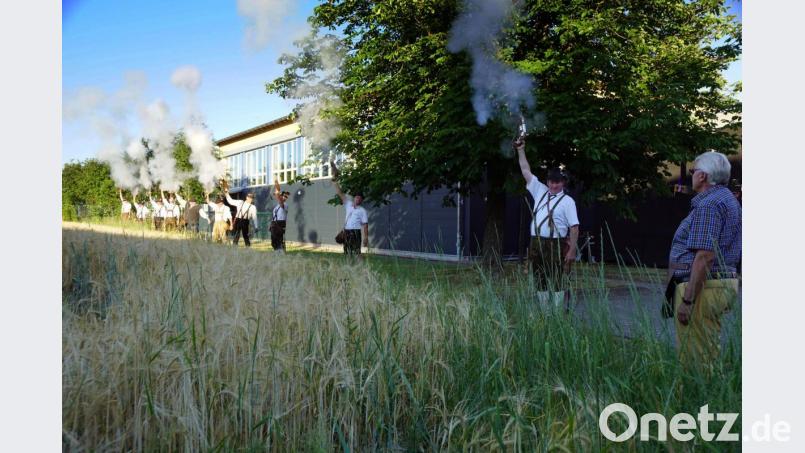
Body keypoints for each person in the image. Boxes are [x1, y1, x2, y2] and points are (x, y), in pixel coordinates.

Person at [667, 151, 741, 369]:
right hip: (721, 282)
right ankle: (710, 399)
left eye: (692, 170)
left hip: (703, 286)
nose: (691, 175)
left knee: (693, 358)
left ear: (702, 176)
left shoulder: (709, 205)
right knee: (707, 351)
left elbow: (705, 256)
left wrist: (688, 300)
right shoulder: (728, 200)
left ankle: (696, 400)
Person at [514, 137, 579, 308]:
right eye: (551, 181)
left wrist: (572, 251)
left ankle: (557, 315)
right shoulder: (540, 190)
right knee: (539, 279)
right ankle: (544, 314)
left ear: (563, 183)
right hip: (536, 242)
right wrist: (520, 150)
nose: (553, 185)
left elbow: (574, 227)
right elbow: (525, 170)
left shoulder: (568, 201)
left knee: (557, 280)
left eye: (557, 182)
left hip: (555, 244)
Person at [330, 160, 369, 257]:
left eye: (360, 198)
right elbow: (340, 193)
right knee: (347, 252)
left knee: (357, 253)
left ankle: (362, 269)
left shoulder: (362, 210)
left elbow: (365, 225)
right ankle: (349, 267)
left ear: (361, 200)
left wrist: (366, 238)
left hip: (356, 232)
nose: (358, 199)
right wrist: (334, 180)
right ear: (354, 198)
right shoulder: (348, 204)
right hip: (347, 231)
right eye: (357, 197)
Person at [270, 179, 290, 252]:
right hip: (274, 224)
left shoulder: (285, 205)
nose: (285, 197)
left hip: (280, 224)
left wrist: (277, 191)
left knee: (279, 241)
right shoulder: (276, 206)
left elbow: (280, 200)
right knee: (273, 241)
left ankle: (281, 254)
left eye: (286, 197)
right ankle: (277, 253)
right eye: (284, 195)